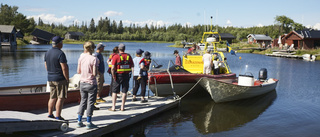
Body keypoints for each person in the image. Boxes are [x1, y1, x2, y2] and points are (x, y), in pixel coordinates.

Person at [44, 36, 69, 120]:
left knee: (52, 97)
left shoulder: (47, 52)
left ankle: (50, 114)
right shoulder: (61, 53)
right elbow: (64, 68)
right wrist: (67, 79)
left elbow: (46, 65)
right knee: (60, 97)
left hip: (50, 78)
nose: (62, 43)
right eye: (61, 42)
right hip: (60, 78)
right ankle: (58, 116)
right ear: (59, 44)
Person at [76, 41, 99, 129]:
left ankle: (79, 121)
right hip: (91, 83)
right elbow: (94, 73)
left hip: (82, 83)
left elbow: (78, 71)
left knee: (83, 101)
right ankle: (89, 122)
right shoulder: (94, 59)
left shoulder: (81, 57)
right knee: (90, 103)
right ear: (93, 48)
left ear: (85, 48)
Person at [110, 43, 134, 111]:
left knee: (114, 91)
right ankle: (122, 107)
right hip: (126, 75)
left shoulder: (116, 56)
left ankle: (113, 107)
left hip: (117, 76)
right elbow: (132, 66)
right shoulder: (128, 56)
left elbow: (112, 68)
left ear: (118, 49)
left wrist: (113, 75)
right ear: (124, 49)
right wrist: (132, 74)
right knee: (124, 91)